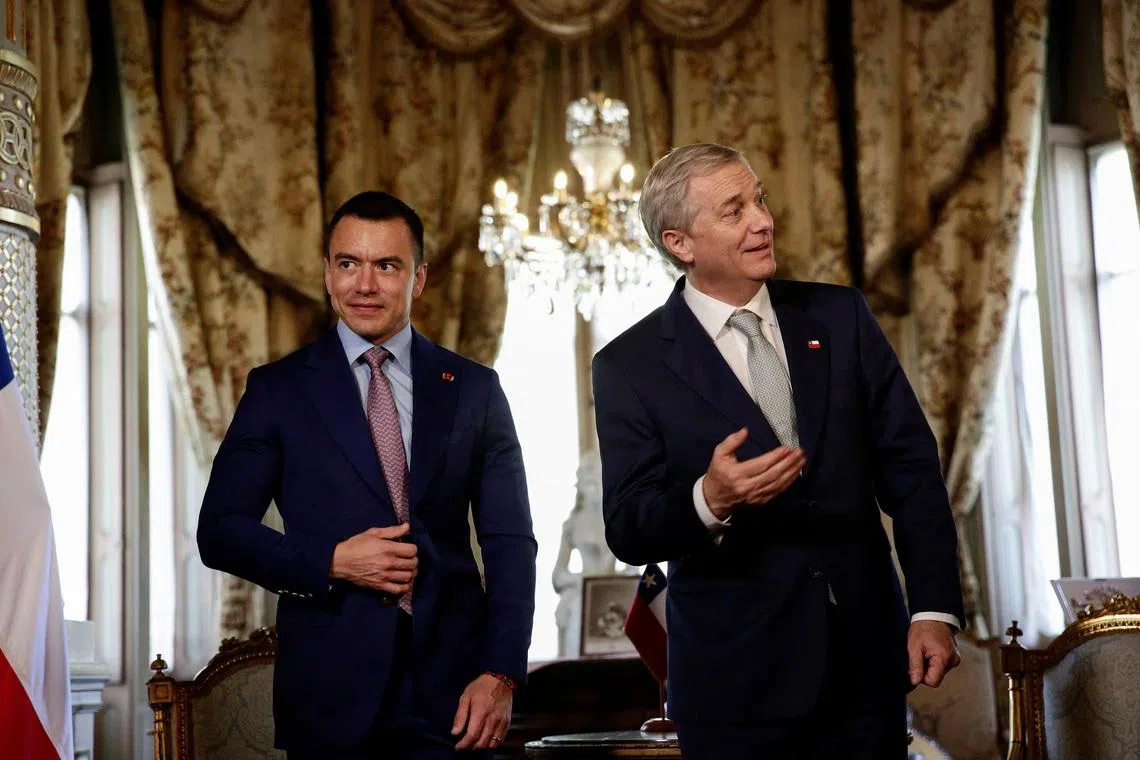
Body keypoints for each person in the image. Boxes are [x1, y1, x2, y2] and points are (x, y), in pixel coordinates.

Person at [591, 143, 964, 759]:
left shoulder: (840, 316)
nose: (763, 220)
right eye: (734, 210)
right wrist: (708, 500)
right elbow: (629, 527)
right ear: (680, 242)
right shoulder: (629, 366)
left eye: (758, 199)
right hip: (734, 685)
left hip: (865, 666)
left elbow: (912, 470)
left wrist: (932, 608)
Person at [197, 191, 537, 759]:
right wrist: (330, 561)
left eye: (387, 266)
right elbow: (220, 530)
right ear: (329, 273)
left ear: (418, 278)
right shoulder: (277, 390)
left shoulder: (475, 390)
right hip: (330, 694)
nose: (364, 284)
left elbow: (510, 543)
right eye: (348, 263)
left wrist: (501, 673)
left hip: (457, 697)